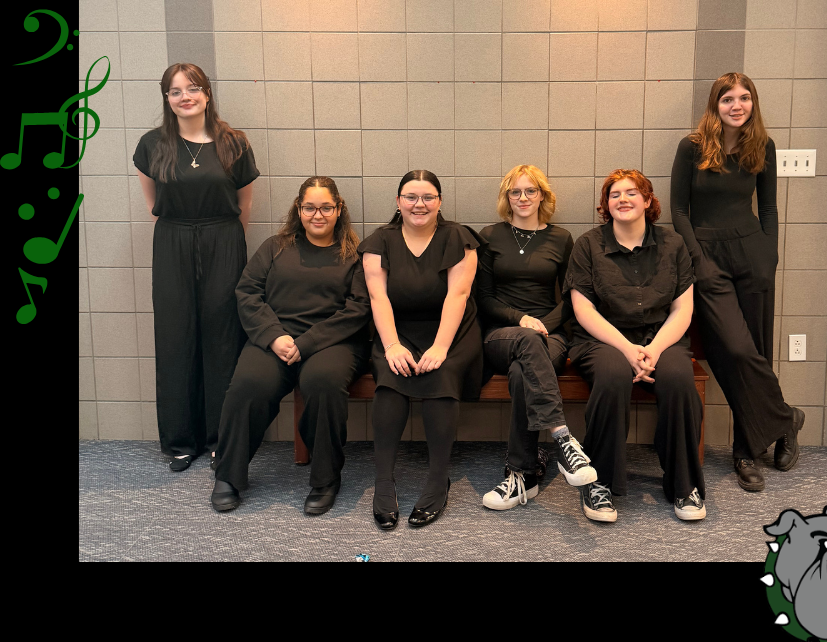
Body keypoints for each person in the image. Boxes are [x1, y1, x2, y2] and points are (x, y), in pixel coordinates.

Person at [670, 72, 805, 493]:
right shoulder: (691, 147)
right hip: (708, 257)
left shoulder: (762, 145)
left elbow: (768, 209)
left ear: (753, 103)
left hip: (753, 255)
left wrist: (770, 256)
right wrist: (698, 260)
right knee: (732, 348)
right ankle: (786, 417)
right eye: (727, 98)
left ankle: (746, 451)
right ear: (715, 105)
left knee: (758, 351)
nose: (737, 105)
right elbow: (678, 210)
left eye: (744, 98)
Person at [210, 177, 371, 513]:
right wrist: (273, 336)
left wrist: (308, 342)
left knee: (322, 382)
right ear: (299, 209)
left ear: (338, 209)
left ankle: (326, 479)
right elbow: (247, 292)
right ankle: (228, 473)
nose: (318, 214)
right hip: (276, 338)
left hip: (333, 342)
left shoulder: (355, 253)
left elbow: (358, 308)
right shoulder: (275, 246)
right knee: (249, 384)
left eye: (326, 207)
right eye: (310, 207)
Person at [134, 63, 258, 471]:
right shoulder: (152, 145)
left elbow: (243, 207)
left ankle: (222, 437)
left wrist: (221, 242)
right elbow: (155, 206)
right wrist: (183, 236)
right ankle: (180, 441)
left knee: (224, 336)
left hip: (224, 240)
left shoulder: (234, 143)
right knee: (175, 336)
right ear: (166, 99)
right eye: (175, 91)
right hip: (172, 241)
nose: (185, 96)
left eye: (192, 88)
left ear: (207, 93)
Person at [565, 170, 706, 522]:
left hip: (662, 338)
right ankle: (599, 483)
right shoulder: (588, 245)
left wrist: (654, 350)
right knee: (612, 375)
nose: (623, 199)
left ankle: (683, 483)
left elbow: (683, 309)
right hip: (603, 339)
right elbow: (583, 310)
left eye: (632, 193)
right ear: (606, 204)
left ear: (647, 200)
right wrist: (628, 350)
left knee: (677, 379)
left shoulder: (673, 244)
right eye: (614, 194)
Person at [359, 170, 484, 529]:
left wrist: (441, 346)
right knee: (390, 378)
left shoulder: (458, 238)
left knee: (441, 375)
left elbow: (457, 296)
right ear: (398, 202)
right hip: (396, 329)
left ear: (439, 202)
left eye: (428, 197)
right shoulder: (379, 241)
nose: (419, 204)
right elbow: (377, 297)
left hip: (452, 330)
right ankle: (384, 482)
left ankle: (437, 480)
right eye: (411, 197)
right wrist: (393, 344)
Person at [477, 165, 596, 511]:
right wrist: (521, 320)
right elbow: (483, 298)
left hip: (551, 333)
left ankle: (521, 474)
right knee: (526, 344)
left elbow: (571, 295)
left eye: (530, 191)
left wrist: (542, 324)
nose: (523, 197)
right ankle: (563, 438)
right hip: (501, 333)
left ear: (542, 195)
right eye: (515, 191)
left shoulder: (561, 238)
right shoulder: (490, 236)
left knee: (521, 372)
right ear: (506, 197)